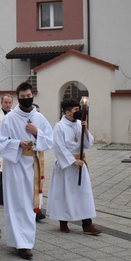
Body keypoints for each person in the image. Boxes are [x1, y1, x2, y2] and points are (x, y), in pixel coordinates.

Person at [0, 81, 53, 260]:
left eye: (29, 96)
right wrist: (16, 144)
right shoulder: (10, 118)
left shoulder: (40, 118)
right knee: (15, 204)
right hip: (15, 165)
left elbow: (50, 140)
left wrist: (37, 133)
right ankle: (17, 241)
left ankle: (26, 242)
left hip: (32, 165)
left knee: (28, 204)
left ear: (32, 96)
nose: (27, 99)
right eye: (23, 97)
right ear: (18, 98)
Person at [47, 98, 101, 235]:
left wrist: (85, 128)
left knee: (84, 193)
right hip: (67, 165)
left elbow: (88, 144)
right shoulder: (59, 126)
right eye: (76, 110)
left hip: (81, 163)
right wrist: (72, 161)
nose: (79, 113)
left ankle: (87, 224)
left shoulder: (79, 124)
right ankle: (63, 222)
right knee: (64, 193)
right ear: (67, 112)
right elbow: (59, 147)